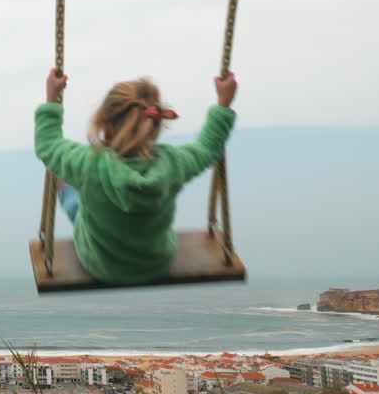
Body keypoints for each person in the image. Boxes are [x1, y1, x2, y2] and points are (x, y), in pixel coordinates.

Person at [35, 69, 238, 285]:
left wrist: (52, 98)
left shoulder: (87, 163)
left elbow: (48, 145)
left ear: (105, 125)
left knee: (68, 189)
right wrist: (223, 103)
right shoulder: (173, 163)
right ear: (155, 126)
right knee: (83, 192)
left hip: (99, 264)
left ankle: (71, 195)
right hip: (155, 263)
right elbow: (208, 147)